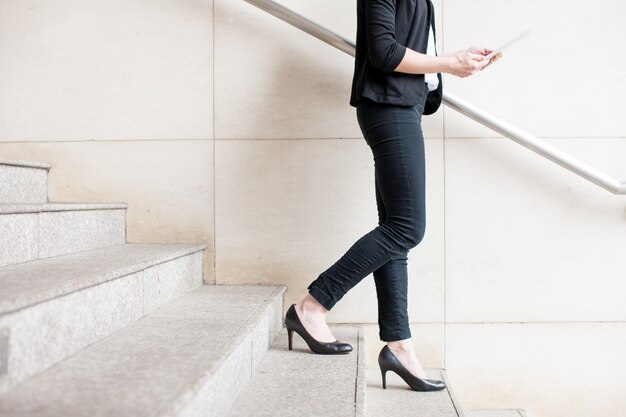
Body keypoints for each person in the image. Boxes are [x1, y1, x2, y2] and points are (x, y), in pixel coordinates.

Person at [285, 0, 502, 391]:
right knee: (406, 228)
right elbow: (384, 52)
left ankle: (399, 346)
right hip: (389, 107)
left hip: (403, 105)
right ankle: (312, 306)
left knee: (394, 231)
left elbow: (408, 45)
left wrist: (456, 59)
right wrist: (449, 64)